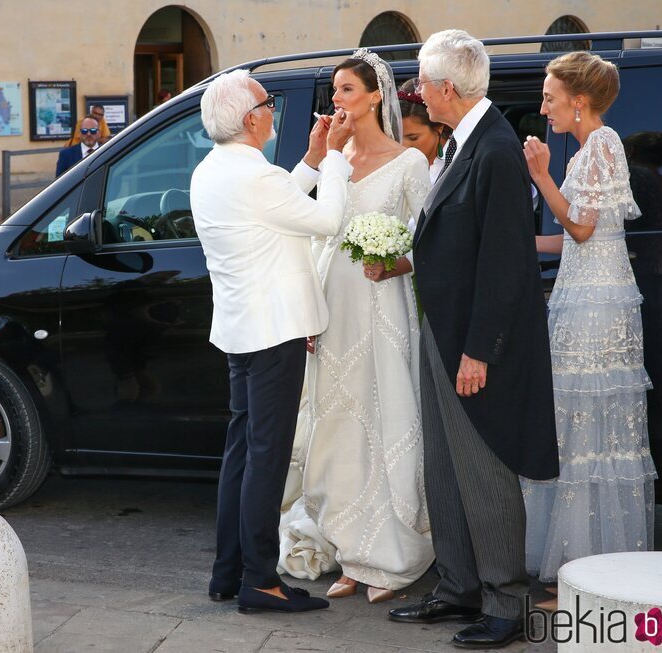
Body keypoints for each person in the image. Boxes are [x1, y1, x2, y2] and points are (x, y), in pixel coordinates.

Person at [387, 30, 558, 650]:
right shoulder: (464, 142)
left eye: (424, 85)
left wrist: (479, 350)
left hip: (475, 342)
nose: (419, 95)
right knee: (445, 464)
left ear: (449, 89)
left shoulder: (495, 149)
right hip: (445, 326)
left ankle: (505, 603)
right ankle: (458, 585)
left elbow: (507, 264)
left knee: (484, 469)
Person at [190, 68, 354, 614]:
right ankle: (260, 580)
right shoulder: (252, 176)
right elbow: (326, 219)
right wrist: (334, 157)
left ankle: (228, 570)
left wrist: (308, 161)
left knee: (242, 449)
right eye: (267, 105)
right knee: (267, 454)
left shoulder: (216, 169)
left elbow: (278, 202)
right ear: (249, 119)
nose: (273, 112)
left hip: (241, 329)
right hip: (275, 330)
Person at [277, 49, 434, 606]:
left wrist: (396, 260)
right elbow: (311, 231)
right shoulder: (334, 160)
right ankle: (348, 550)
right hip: (333, 304)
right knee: (338, 424)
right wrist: (309, 309)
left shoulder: (410, 163)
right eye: (335, 92)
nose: (337, 100)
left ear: (374, 97)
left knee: (382, 416)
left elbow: (430, 237)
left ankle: (387, 552)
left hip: (383, 304)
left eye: (346, 90)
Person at [521, 52, 656, 607]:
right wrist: (518, 241)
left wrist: (539, 174)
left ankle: (583, 570)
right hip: (582, 296)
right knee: (573, 427)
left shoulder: (602, 143)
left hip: (596, 308)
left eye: (550, 96)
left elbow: (579, 228)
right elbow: (578, 237)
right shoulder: (589, 149)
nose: (544, 106)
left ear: (580, 99)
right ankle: (575, 566)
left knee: (587, 429)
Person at [398, 78, 451, 184]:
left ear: (439, 127)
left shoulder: (459, 159)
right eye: (396, 137)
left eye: (413, 137)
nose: (402, 145)